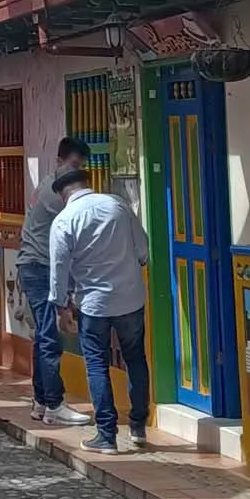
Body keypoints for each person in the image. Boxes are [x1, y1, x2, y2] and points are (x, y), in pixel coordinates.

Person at [48, 151, 152, 456]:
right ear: (86, 183)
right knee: (136, 359)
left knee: (96, 364)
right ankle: (138, 426)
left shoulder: (64, 220)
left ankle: (107, 435)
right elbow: (143, 249)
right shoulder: (117, 205)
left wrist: (61, 307)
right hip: (130, 298)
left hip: (94, 304)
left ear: (63, 193)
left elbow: (59, 270)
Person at [16, 138, 91, 429]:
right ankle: (55, 405)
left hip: (33, 266)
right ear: (59, 161)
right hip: (40, 268)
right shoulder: (57, 196)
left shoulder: (49, 184)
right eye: (73, 165)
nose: (76, 172)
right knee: (50, 338)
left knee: (43, 337)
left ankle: (41, 401)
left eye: (81, 167)